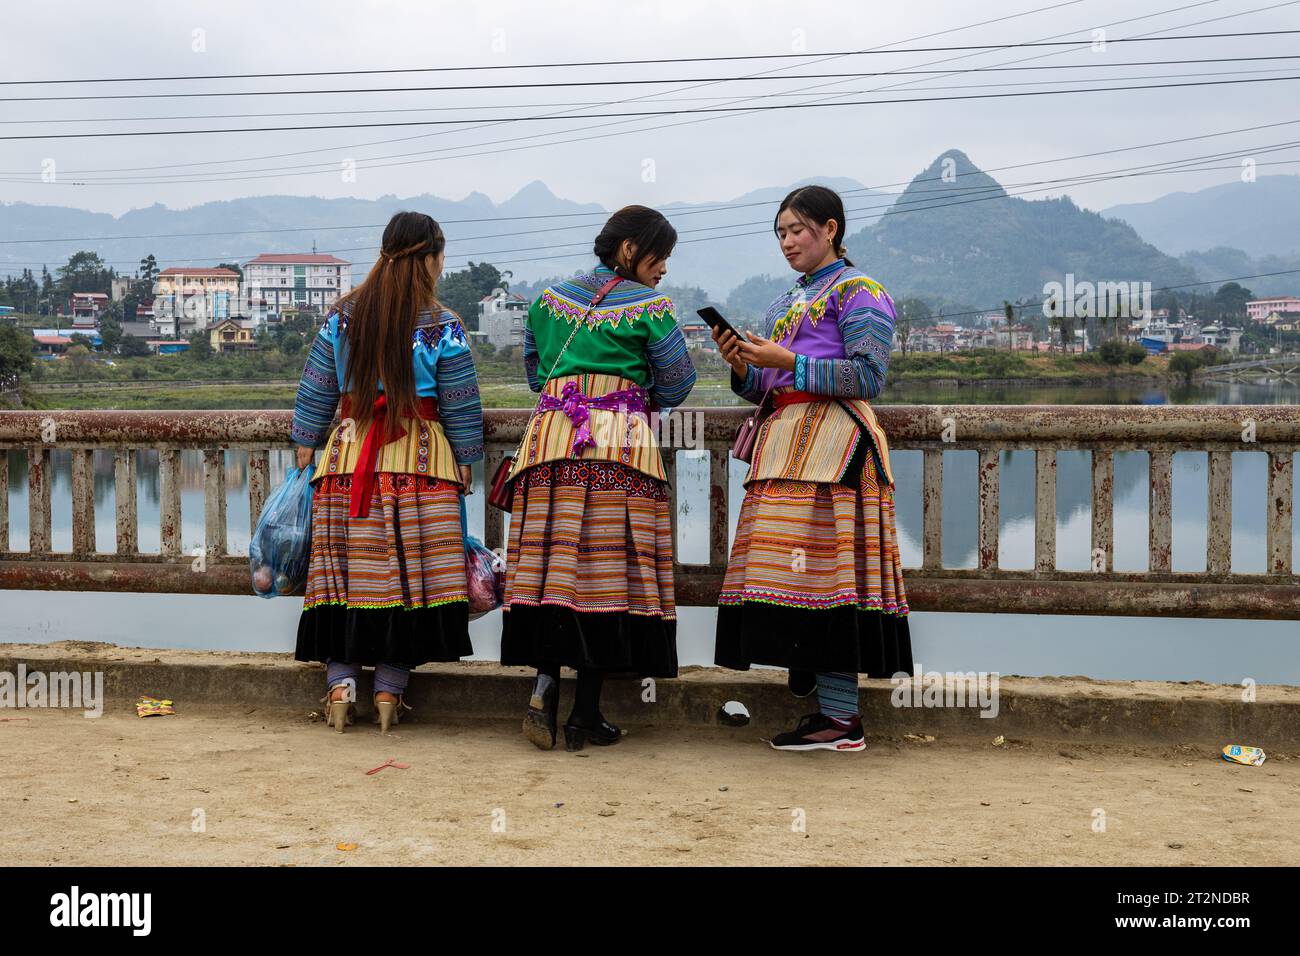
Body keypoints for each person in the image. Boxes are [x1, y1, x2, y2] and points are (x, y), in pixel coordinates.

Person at [712, 185, 913, 753]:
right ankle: (829, 711)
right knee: (792, 578)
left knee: (829, 580)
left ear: (830, 228)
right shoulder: (782, 305)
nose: (787, 242)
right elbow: (768, 384)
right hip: (784, 447)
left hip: (835, 450)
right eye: (779, 233)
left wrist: (788, 361)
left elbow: (869, 377)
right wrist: (743, 366)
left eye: (796, 230)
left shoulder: (862, 292)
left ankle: (841, 721)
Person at [499, 205, 697, 751]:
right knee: (605, 570)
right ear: (631, 250)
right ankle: (586, 714)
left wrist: (576, 389)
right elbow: (679, 380)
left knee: (551, 563)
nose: (664, 270)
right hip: (617, 445)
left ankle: (544, 685)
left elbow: (536, 373)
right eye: (661, 257)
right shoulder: (650, 306)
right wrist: (628, 400)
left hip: (551, 440)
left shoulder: (547, 299)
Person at [290, 211, 484, 733]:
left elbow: (314, 391)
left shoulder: (342, 317)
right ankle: (389, 695)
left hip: (347, 464)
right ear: (428, 257)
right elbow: (461, 402)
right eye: (441, 256)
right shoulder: (442, 324)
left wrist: (307, 445)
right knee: (408, 578)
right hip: (420, 465)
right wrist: (467, 459)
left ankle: (339, 688)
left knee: (344, 577)